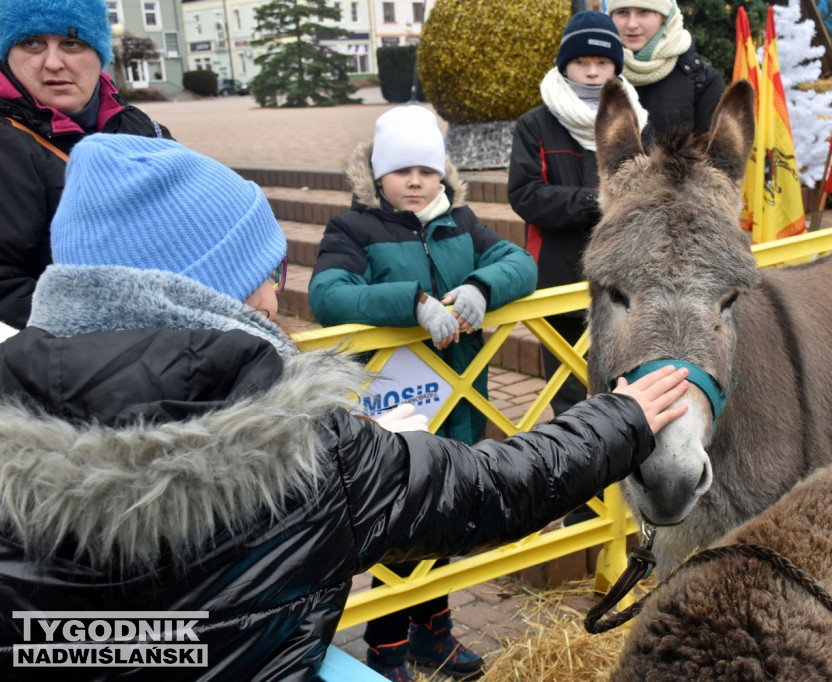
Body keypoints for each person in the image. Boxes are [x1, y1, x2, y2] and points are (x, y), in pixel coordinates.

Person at [0, 133, 691, 681]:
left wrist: (480, 286)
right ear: (207, 293)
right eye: (262, 276)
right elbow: (493, 488)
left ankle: (429, 632)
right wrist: (620, 418)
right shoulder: (303, 449)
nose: (275, 298)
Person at [307, 105, 538, 679]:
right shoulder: (352, 229)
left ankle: (434, 634)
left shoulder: (459, 222)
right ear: (377, 176)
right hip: (393, 409)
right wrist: (410, 303)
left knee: (443, 515)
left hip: (459, 402)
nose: (415, 182)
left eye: (427, 171)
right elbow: (328, 294)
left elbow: (518, 262)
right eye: (402, 171)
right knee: (396, 523)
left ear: (443, 174)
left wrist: (483, 286)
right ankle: (386, 650)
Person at [508, 11, 648, 417]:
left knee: (623, 374)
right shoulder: (535, 125)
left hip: (623, 278)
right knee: (566, 387)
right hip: (559, 273)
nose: (592, 73)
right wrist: (595, 201)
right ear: (564, 64)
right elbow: (526, 194)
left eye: (603, 63)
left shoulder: (636, 122)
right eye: (581, 63)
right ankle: (576, 463)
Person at [0, 0, 170, 329]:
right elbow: (7, 293)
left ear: (98, 54)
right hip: (76, 366)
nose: (52, 63)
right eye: (31, 43)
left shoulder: (140, 128)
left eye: (72, 43)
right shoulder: (8, 144)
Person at [606, 0, 725, 137]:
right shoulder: (594, 74)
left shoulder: (703, 81)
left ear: (665, 17)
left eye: (644, 12)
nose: (632, 24)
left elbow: (713, 153)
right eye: (622, 12)